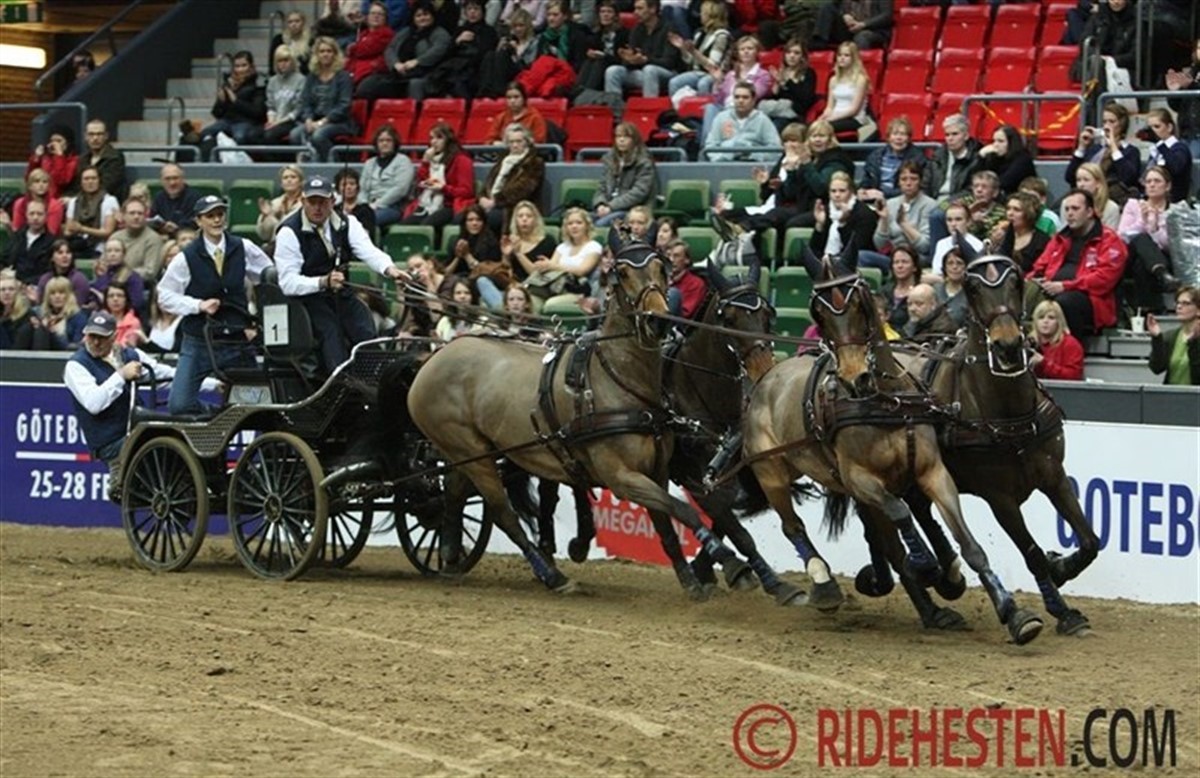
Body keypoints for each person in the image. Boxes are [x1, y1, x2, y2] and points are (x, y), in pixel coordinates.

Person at [274, 176, 409, 374]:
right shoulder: (289, 232)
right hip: (307, 300)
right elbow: (288, 282)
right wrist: (323, 282)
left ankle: (375, 377)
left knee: (364, 328)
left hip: (341, 294)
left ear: (332, 201)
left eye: (323, 202)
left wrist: (389, 269)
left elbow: (368, 250)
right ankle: (340, 382)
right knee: (330, 332)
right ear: (302, 201)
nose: (317, 208)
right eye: (312, 202)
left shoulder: (348, 223)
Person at [157, 195, 273, 414]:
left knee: (257, 405)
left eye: (220, 214)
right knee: (179, 405)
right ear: (199, 221)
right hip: (199, 340)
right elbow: (164, 296)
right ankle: (217, 419)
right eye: (210, 216)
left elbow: (269, 279)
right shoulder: (186, 257)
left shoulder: (243, 247)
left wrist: (258, 323)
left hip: (236, 339)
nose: (217, 220)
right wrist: (197, 305)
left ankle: (232, 421)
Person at [64, 311, 180, 488]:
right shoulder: (76, 365)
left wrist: (212, 383)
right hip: (110, 442)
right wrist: (121, 375)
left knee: (174, 437)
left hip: (137, 430)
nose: (96, 342)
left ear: (114, 336)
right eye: (92, 336)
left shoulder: (130, 355)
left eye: (102, 337)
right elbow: (94, 404)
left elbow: (165, 375)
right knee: (158, 443)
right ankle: (121, 474)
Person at [1026, 189, 1128, 337]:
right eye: (1067, 209)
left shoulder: (1109, 240)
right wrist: (1032, 280)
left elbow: (1103, 280)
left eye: (1075, 209)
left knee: (1065, 301)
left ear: (1089, 212)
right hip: (1052, 289)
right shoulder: (1060, 238)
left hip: (1091, 299)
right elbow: (1039, 267)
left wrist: (1065, 286)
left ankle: (1071, 347)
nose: (1069, 214)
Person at [355, 2, 451, 100]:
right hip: (399, 74)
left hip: (426, 74)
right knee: (368, 86)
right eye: (418, 16)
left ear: (432, 16)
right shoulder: (406, 32)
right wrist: (395, 64)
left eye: (425, 14)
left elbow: (439, 49)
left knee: (415, 85)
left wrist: (417, 61)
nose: (422, 18)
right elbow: (390, 49)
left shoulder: (440, 33)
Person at [1118, 165, 1181, 311]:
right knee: (1141, 238)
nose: (1152, 185)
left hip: (1162, 258)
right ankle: (1162, 274)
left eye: (1157, 181)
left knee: (1141, 264)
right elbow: (1122, 236)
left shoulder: (1175, 211)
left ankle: (1149, 310)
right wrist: (1143, 221)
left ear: (1167, 186)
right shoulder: (1133, 205)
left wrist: (1155, 229)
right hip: (1131, 254)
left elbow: (1172, 246)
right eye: (1148, 181)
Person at [290, 37, 357, 162]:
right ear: (317, 55)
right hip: (315, 120)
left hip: (339, 122)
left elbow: (344, 105)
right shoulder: (312, 77)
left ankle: (332, 165)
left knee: (318, 135)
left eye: (329, 51)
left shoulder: (343, 77)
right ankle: (306, 164)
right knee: (295, 134)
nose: (325, 54)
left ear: (335, 54)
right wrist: (308, 119)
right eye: (321, 51)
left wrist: (323, 122)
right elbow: (305, 102)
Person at [402, 121, 476, 230]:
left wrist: (443, 188)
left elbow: (467, 191)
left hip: (449, 205)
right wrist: (425, 162)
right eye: (432, 138)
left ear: (448, 140)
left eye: (439, 138)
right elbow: (421, 183)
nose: (434, 142)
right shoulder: (431, 159)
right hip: (427, 204)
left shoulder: (462, 160)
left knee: (425, 227)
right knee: (403, 227)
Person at [523, 207, 602, 308]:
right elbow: (551, 270)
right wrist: (544, 266)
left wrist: (554, 266)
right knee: (528, 300)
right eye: (570, 224)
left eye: (579, 223)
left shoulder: (594, 246)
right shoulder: (562, 247)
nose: (574, 226)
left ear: (587, 226)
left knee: (551, 303)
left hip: (577, 290)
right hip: (555, 287)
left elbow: (582, 270)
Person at [1066, 102, 1141, 208]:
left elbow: (1128, 178)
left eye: (1111, 122)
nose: (1106, 126)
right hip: (1085, 195)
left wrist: (1113, 146)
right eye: (1104, 122)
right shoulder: (1094, 149)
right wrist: (1081, 147)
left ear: (1122, 124)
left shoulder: (1130, 151)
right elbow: (1070, 177)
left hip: (1112, 198)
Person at [699, 34, 771, 142]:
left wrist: (741, 80)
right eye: (742, 49)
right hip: (725, 109)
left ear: (756, 52)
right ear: (738, 53)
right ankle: (707, 146)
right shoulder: (731, 74)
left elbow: (755, 94)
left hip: (746, 110)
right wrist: (718, 82)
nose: (746, 51)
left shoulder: (763, 75)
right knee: (710, 107)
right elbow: (720, 100)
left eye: (750, 48)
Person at [604, 0, 682, 98]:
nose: (635, 12)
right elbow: (633, 59)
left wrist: (645, 60)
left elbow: (669, 62)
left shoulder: (669, 28)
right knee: (613, 71)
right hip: (643, 73)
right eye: (635, 8)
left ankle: (649, 106)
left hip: (667, 74)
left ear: (653, 9)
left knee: (650, 70)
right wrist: (629, 60)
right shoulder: (637, 29)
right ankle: (614, 105)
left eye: (640, 8)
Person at [198, 50, 267, 161]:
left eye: (244, 65)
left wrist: (236, 101)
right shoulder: (228, 83)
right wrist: (221, 102)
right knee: (204, 133)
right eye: (237, 66)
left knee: (240, 137)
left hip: (246, 121)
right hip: (227, 120)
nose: (240, 69)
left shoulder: (258, 84)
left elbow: (258, 112)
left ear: (251, 66)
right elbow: (216, 114)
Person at [425, 0, 499, 98]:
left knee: (458, 81)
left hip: (475, 69)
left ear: (483, 12)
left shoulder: (489, 31)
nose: (472, 12)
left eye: (476, 9)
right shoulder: (459, 30)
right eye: (469, 9)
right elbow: (447, 53)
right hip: (454, 67)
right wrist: (458, 40)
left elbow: (485, 53)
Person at [480, 124, 545, 232]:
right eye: (511, 142)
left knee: (489, 219)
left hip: (514, 207)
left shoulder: (534, 162)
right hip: (492, 204)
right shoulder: (502, 161)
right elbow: (488, 183)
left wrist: (495, 201)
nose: (515, 145)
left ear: (527, 142)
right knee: (464, 218)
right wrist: (482, 197)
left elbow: (522, 189)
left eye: (519, 141)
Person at [870, 161, 936, 266]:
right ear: (899, 182)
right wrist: (884, 219)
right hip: (892, 256)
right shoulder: (891, 204)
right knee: (861, 256)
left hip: (916, 258)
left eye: (913, 179)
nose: (908, 183)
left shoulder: (930, 205)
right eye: (904, 179)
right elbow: (879, 245)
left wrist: (904, 224)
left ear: (920, 181)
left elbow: (925, 247)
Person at [592, 123, 657, 227]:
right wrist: (600, 204)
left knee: (600, 225)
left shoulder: (644, 162)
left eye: (626, 137)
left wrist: (611, 206)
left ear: (634, 140)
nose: (621, 140)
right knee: (582, 221)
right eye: (618, 136)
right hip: (609, 208)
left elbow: (639, 193)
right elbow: (602, 187)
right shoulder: (609, 159)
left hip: (633, 211)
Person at [809, 171, 877, 270]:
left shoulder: (864, 214)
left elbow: (855, 250)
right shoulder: (827, 211)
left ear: (851, 192)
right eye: (833, 191)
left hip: (854, 265)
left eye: (842, 191)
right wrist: (820, 225)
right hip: (827, 261)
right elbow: (814, 250)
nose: (837, 195)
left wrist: (842, 224)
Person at [791, 119, 854, 224]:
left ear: (830, 139)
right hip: (804, 206)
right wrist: (791, 171)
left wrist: (807, 164)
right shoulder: (810, 158)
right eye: (814, 136)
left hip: (827, 209)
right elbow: (791, 192)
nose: (817, 140)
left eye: (822, 136)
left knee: (792, 223)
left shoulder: (836, 161)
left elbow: (821, 188)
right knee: (774, 215)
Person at [666, 0, 733, 98]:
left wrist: (694, 51)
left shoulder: (722, 36)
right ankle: (676, 107)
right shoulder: (700, 33)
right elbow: (690, 61)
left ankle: (704, 107)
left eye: (703, 13)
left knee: (703, 83)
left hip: (715, 74)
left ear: (711, 16)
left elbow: (713, 65)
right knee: (674, 82)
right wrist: (682, 48)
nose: (700, 15)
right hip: (696, 72)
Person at [702, 82, 782, 162]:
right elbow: (710, 146)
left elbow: (776, 150)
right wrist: (722, 158)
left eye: (745, 97)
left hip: (753, 164)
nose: (740, 100)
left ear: (753, 100)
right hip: (724, 164)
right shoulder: (721, 118)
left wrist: (753, 155)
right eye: (737, 97)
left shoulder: (763, 120)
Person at [360, 125, 415, 229]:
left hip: (393, 207)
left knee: (366, 220)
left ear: (394, 143)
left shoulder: (403, 161)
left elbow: (400, 189)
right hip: (369, 206)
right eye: (381, 141)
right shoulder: (369, 163)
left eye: (388, 140)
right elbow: (362, 189)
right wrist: (364, 205)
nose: (384, 143)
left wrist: (377, 205)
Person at [757, 37, 818, 130]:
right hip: (777, 110)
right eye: (788, 52)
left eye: (796, 53)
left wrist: (785, 82)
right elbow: (776, 97)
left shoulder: (808, 73)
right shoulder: (783, 71)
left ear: (803, 56)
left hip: (794, 114)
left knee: (774, 127)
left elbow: (805, 99)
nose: (792, 56)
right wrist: (777, 85)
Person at [452, 204, 507, 308]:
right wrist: (458, 256)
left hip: (486, 280)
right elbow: (447, 271)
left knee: (480, 281)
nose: (474, 223)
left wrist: (467, 255)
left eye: (478, 220)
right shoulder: (457, 241)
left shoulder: (491, 242)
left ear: (484, 222)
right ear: (465, 223)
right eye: (470, 220)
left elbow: (488, 271)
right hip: (461, 280)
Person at [817, 41, 873, 140]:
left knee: (824, 129)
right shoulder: (833, 80)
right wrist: (822, 118)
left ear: (854, 58)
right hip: (834, 116)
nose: (842, 58)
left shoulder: (861, 79)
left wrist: (832, 118)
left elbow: (854, 110)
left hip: (854, 119)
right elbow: (829, 107)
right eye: (839, 55)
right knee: (812, 128)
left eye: (846, 55)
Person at [860, 117, 925, 202]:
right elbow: (867, 180)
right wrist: (863, 191)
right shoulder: (875, 156)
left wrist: (882, 194)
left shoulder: (917, 158)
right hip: (875, 199)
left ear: (909, 138)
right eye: (895, 134)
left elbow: (914, 187)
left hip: (903, 200)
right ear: (888, 137)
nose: (898, 138)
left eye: (903, 134)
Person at [477, 8, 539, 97]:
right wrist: (500, 48)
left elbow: (529, 65)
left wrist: (516, 53)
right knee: (490, 55)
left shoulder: (533, 42)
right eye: (515, 26)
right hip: (506, 72)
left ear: (528, 26)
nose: (518, 29)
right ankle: (484, 90)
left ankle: (500, 91)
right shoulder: (510, 40)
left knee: (503, 55)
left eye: (521, 26)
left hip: (522, 71)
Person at [1147, 286, 1200, 386]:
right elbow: (1157, 368)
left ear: (1198, 310)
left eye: (1185, 303)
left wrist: (1194, 342)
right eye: (1178, 303)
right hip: (1172, 394)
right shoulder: (1171, 336)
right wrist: (1157, 338)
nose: (1179, 307)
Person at [500, 200, 558, 285]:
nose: (524, 219)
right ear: (515, 220)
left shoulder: (547, 241)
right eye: (520, 216)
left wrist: (518, 253)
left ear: (535, 220)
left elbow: (535, 274)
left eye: (529, 216)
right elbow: (506, 272)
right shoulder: (512, 240)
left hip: (536, 285)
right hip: (513, 285)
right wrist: (506, 255)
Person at [64, 167, 119, 257]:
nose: (90, 182)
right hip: (77, 245)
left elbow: (108, 232)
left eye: (94, 178)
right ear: (81, 182)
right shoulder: (74, 202)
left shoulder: (109, 201)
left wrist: (82, 229)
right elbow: (68, 230)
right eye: (86, 179)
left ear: (99, 180)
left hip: (101, 246)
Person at [1142, 108, 1194, 203]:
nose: (1153, 132)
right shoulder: (1156, 148)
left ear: (1169, 127)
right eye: (1150, 128)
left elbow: (1175, 167)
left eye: (1157, 127)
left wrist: (1160, 144)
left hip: (1174, 199)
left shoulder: (1180, 148)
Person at [575, 0, 628, 92]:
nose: (605, 15)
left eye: (609, 12)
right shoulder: (597, 34)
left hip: (617, 67)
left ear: (616, 16)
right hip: (600, 67)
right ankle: (578, 90)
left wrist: (604, 56)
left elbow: (622, 59)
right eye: (602, 12)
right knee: (589, 61)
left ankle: (587, 92)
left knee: (600, 62)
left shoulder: (624, 33)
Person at [994, 193, 1051, 274]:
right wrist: (994, 243)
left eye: (1017, 210)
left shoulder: (1042, 240)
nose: (1010, 213)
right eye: (1008, 208)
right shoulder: (1003, 234)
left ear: (1029, 214)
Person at [1028, 300, 1085, 381]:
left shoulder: (1071, 344)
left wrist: (1044, 363)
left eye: (1051, 318)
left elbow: (1074, 376)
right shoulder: (1028, 343)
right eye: (1041, 317)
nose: (1045, 321)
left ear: (1059, 322)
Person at [262, 45, 308, 145]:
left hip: (293, 121)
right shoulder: (272, 81)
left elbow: (298, 109)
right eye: (280, 61)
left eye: (286, 60)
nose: (283, 64)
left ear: (292, 62)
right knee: (255, 134)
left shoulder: (301, 80)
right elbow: (271, 106)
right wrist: (271, 121)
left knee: (269, 135)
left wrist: (277, 123)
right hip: (276, 120)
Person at [111, 198, 165, 282]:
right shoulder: (115, 237)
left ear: (145, 216)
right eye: (132, 213)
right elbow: (105, 263)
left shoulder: (153, 239)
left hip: (141, 285)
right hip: (113, 282)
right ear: (123, 216)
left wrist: (124, 274)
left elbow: (150, 272)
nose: (136, 217)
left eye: (140, 213)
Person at [91, 238, 147, 316]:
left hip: (126, 317)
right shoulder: (103, 277)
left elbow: (137, 303)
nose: (113, 254)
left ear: (123, 254)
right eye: (109, 251)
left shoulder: (133, 277)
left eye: (117, 251)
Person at [3, 199, 54, 285]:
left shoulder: (52, 242)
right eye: (32, 214)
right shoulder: (18, 236)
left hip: (35, 286)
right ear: (26, 215)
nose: (35, 218)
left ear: (46, 216)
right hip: (11, 284)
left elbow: (48, 273)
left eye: (39, 214)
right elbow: (4, 258)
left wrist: (23, 282)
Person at [344, 2, 395, 87]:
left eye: (380, 14)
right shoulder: (364, 34)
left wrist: (352, 48)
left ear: (385, 18)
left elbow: (366, 49)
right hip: (356, 73)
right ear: (367, 17)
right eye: (373, 13)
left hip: (372, 74)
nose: (376, 16)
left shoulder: (387, 33)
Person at [977, 125, 1036, 198]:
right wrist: (981, 157)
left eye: (1000, 141)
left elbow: (1005, 183)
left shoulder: (1023, 159)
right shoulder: (994, 157)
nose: (995, 145)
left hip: (1021, 199)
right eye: (994, 141)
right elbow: (977, 179)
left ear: (1011, 143)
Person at [1165, 39, 1200, 159]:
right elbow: (1177, 106)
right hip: (1186, 134)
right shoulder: (1192, 72)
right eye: (1199, 48)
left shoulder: (1191, 80)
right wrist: (1174, 92)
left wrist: (1192, 86)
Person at [30, 276, 87, 350]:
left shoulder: (78, 317)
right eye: (53, 293)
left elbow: (76, 347)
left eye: (61, 293)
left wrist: (53, 333)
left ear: (69, 295)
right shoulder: (39, 313)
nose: (57, 296)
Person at [3, 169, 64, 236]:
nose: (41, 185)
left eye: (45, 182)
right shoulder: (19, 203)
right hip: (24, 239)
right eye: (37, 181)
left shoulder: (55, 205)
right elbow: (17, 232)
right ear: (29, 186)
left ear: (48, 186)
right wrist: (8, 225)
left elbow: (51, 233)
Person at [812, 0, 893, 51]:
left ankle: (857, 68)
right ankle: (820, 42)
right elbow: (837, 7)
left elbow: (886, 17)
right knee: (828, 6)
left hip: (873, 31)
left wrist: (863, 25)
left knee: (862, 36)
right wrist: (844, 15)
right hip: (849, 28)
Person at [80, 119, 127, 203]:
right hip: (84, 203)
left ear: (106, 136)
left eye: (99, 134)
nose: (95, 138)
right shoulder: (83, 159)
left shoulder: (115, 158)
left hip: (108, 203)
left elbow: (108, 186)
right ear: (85, 137)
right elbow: (78, 184)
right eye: (91, 134)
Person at [930, 203, 983, 277]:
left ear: (968, 222)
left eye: (958, 219)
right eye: (949, 220)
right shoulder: (941, 244)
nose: (953, 224)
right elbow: (937, 272)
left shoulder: (978, 245)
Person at [26, 126, 78, 199]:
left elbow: (61, 180)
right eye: (52, 141)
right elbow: (30, 179)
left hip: (59, 199)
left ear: (67, 143)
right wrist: (36, 159)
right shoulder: (46, 159)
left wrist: (59, 156)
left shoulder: (73, 160)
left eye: (59, 141)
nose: (54, 144)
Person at [257, 164, 305, 242]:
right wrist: (266, 216)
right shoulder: (275, 203)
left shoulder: (307, 202)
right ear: (281, 183)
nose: (289, 180)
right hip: (275, 244)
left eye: (293, 177)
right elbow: (264, 235)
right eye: (285, 178)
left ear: (301, 182)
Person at [36, 239, 90, 308]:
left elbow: (78, 306)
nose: (65, 256)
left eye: (68, 252)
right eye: (60, 253)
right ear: (52, 258)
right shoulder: (45, 279)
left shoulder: (79, 279)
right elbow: (41, 304)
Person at [150, 164, 200, 238]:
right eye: (167, 179)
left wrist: (177, 227)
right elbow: (153, 219)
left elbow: (197, 222)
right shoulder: (159, 198)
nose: (172, 183)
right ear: (161, 181)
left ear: (183, 179)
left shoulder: (194, 197)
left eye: (175, 178)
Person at [956, 170, 1007, 243]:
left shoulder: (1001, 212)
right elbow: (954, 227)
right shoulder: (963, 203)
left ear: (995, 192)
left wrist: (981, 225)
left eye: (984, 187)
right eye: (976, 186)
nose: (979, 190)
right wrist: (969, 216)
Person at [664, 238, 707, 318]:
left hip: (677, 322)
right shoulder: (661, 279)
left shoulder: (695, 283)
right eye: (668, 256)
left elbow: (685, 314)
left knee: (673, 294)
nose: (671, 260)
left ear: (687, 260)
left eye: (676, 256)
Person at [1069, 162, 1120, 229]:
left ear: (1098, 183)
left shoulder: (1111, 208)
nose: (1081, 185)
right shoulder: (1067, 204)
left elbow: (1111, 234)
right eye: (1078, 180)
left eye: (1086, 180)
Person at [881, 246, 920, 333]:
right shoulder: (885, 291)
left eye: (904, 262)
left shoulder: (921, 293)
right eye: (896, 262)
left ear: (915, 267)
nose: (900, 266)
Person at [335, 168, 377, 239]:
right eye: (344, 184)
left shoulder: (366, 210)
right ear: (338, 188)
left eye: (352, 184)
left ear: (357, 187)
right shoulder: (334, 210)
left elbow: (367, 234)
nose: (348, 187)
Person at [932, 249, 968, 329]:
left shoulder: (971, 294)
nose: (954, 267)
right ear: (945, 268)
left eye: (959, 263)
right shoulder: (935, 290)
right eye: (950, 263)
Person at [269, 10, 313, 75]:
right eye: (290, 22)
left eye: (297, 21)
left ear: (303, 23)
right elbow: (272, 63)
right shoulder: (278, 40)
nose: (293, 24)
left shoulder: (311, 40)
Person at [102, 282, 142, 348]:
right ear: (106, 300)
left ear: (126, 299)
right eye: (111, 296)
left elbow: (128, 347)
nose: (115, 299)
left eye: (120, 295)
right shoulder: (99, 319)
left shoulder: (134, 322)